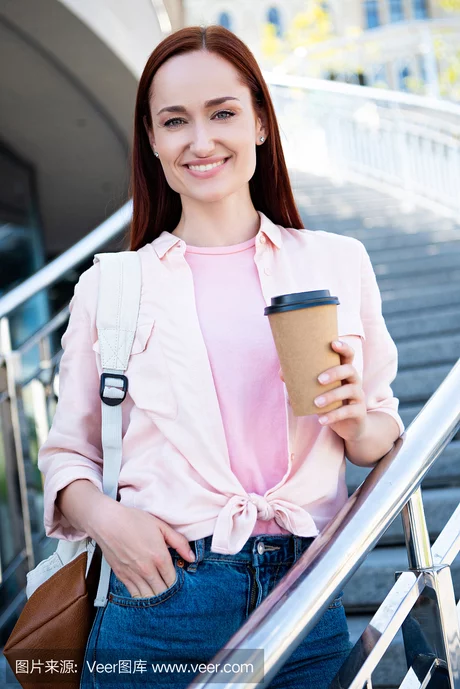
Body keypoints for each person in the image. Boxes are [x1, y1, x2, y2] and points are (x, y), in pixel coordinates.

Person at [37, 25, 405, 689]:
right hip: (159, 594)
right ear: (151, 141)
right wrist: (107, 520)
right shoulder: (112, 284)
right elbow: (67, 454)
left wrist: (355, 418)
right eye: (175, 121)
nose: (200, 141)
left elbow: (381, 431)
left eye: (224, 113)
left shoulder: (336, 260)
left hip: (305, 588)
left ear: (261, 122)